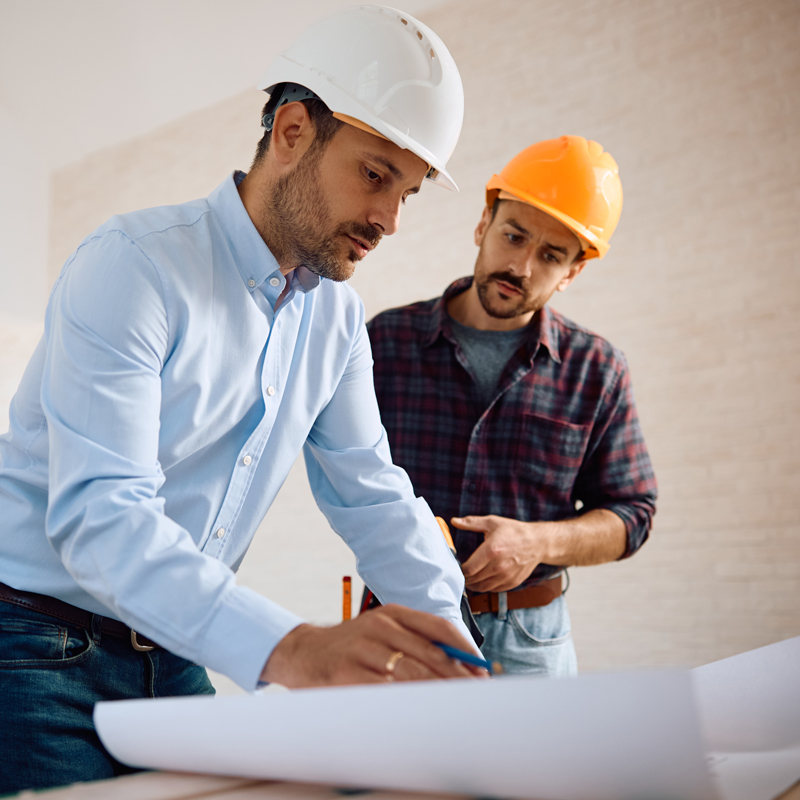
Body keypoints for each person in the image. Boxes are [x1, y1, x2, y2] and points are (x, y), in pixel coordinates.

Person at [0, 7, 485, 795]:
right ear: (292, 131)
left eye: (409, 192)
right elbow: (102, 517)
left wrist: (457, 661)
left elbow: (374, 496)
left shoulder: (334, 320)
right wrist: (292, 648)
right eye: (375, 175)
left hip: (176, 647)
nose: (390, 221)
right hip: (32, 642)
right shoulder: (133, 268)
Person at [367, 136, 658, 677]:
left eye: (550, 256)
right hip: (400, 626)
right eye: (513, 236)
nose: (521, 266)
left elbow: (632, 514)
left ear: (572, 272)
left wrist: (539, 540)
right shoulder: (384, 342)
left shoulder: (598, 369)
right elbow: (338, 469)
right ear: (483, 225)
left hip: (530, 641)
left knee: (538, 767)